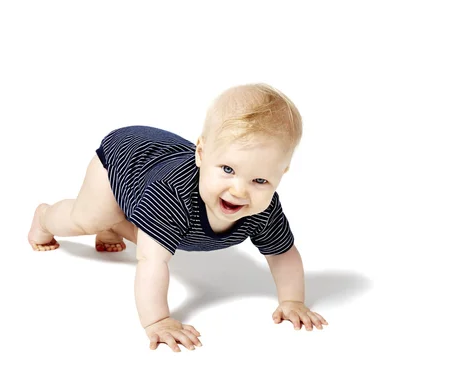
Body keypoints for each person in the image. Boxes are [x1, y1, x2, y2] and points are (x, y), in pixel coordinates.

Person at [27, 83, 328, 352]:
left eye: (260, 181)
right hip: (128, 159)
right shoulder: (172, 193)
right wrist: (158, 320)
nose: (239, 190)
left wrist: (292, 301)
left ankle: (113, 228)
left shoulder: (265, 209)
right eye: (227, 169)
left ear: (281, 175)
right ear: (201, 154)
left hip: (155, 188)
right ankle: (45, 218)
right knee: (90, 218)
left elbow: (283, 254)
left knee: (157, 233)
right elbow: (151, 262)